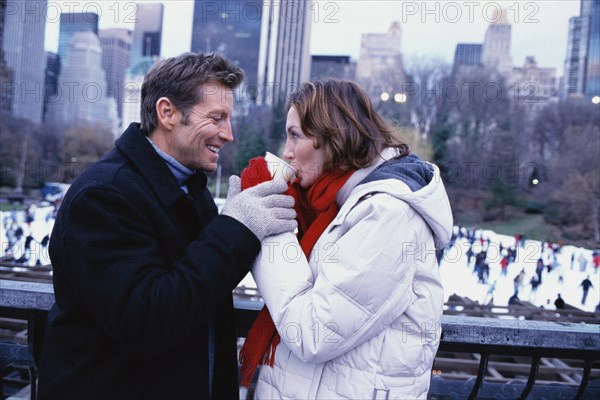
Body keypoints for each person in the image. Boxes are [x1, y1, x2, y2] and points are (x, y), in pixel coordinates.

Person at [37, 52, 297, 399]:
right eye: (217, 118)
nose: (229, 134)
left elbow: (198, 287)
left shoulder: (188, 187)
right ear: (167, 112)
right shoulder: (104, 196)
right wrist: (236, 227)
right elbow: (146, 320)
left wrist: (248, 232)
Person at [240, 80, 453, 399]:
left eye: (295, 135)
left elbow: (314, 334)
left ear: (333, 137)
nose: (286, 151)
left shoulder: (387, 213)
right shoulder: (340, 204)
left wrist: (270, 229)